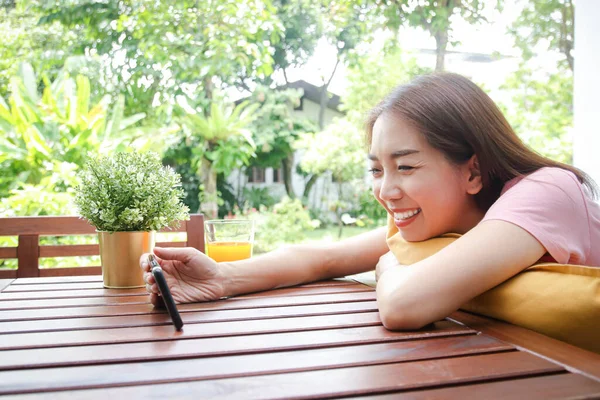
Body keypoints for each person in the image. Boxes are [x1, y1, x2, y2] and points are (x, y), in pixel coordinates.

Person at [140, 72, 600, 331]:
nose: (385, 190)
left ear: (473, 171)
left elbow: (403, 305)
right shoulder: (442, 221)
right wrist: (220, 278)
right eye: (377, 169)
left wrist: (387, 268)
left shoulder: (546, 192)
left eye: (407, 166)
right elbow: (322, 257)